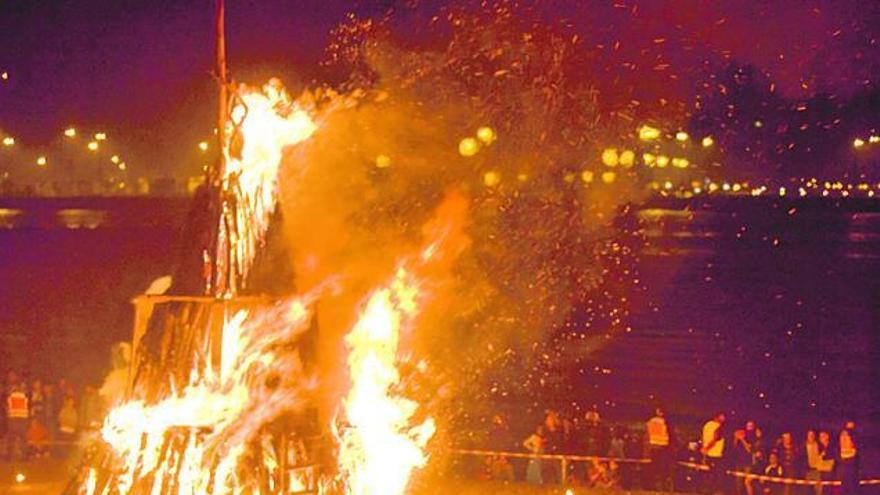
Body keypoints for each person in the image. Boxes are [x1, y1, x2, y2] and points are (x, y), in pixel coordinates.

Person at [647, 406, 674, 492]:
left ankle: (654, 485)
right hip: (663, 446)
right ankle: (662, 486)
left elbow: (648, 433)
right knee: (663, 467)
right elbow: (670, 434)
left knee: (654, 466)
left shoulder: (650, 421)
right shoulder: (665, 422)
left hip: (653, 445)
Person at [702, 411, 727, 495]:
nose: (724, 419)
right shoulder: (718, 426)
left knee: (709, 474)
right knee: (717, 475)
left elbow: (705, 437)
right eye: (722, 416)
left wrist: (704, 448)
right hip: (716, 454)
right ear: (717, 417)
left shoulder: (707, 425)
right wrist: (707, 448)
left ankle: (708, 490)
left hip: (708, 453)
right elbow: (715, 439)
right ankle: (716, 492)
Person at [5, 381, 29, 461]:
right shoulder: (24, 395)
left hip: (13, 419)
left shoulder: (10, 396)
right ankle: (25, 456)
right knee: (23, 439)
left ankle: (9, 456)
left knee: (11, 439)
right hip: (22, 419)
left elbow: (7, 405)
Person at [837, 425, 859, 495]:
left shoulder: (857, 456)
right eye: (842, 436)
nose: (843, 439)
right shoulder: (836, 455)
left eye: (846, 436)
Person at [732, 429, 754, 495]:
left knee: (748, 482)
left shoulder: (749, 439)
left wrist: (742, 440)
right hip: (739, 463)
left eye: (742, 433)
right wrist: (736, 438)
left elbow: (749, 450)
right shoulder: (737, 441)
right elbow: (734, 447)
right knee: (738, 481)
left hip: (747, 463)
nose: (740, 434)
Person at [815, 431, 835, 495]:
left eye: (823, 436)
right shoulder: (821, 448)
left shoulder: (832, 448)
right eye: (820, 437)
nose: (821, 439)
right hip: (823, 476)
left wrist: (821, 465)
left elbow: (830, 465)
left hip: (830, 477)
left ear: (827, 436)